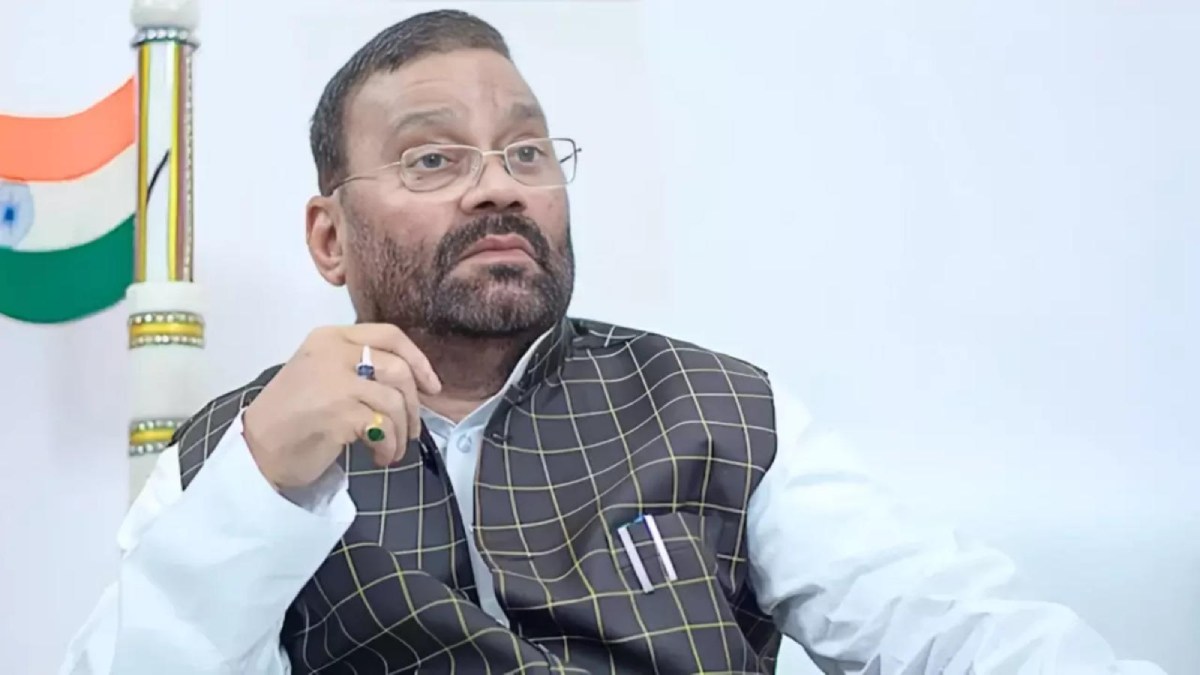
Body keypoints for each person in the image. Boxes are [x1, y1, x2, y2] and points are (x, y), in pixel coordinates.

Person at [60, 10, 1168, 675]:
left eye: (528, 152)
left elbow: (949, 626)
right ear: (329, 237)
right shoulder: (241, 452)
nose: (500, 187)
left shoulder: (716, 406)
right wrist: (259, 483)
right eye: (434, 159)